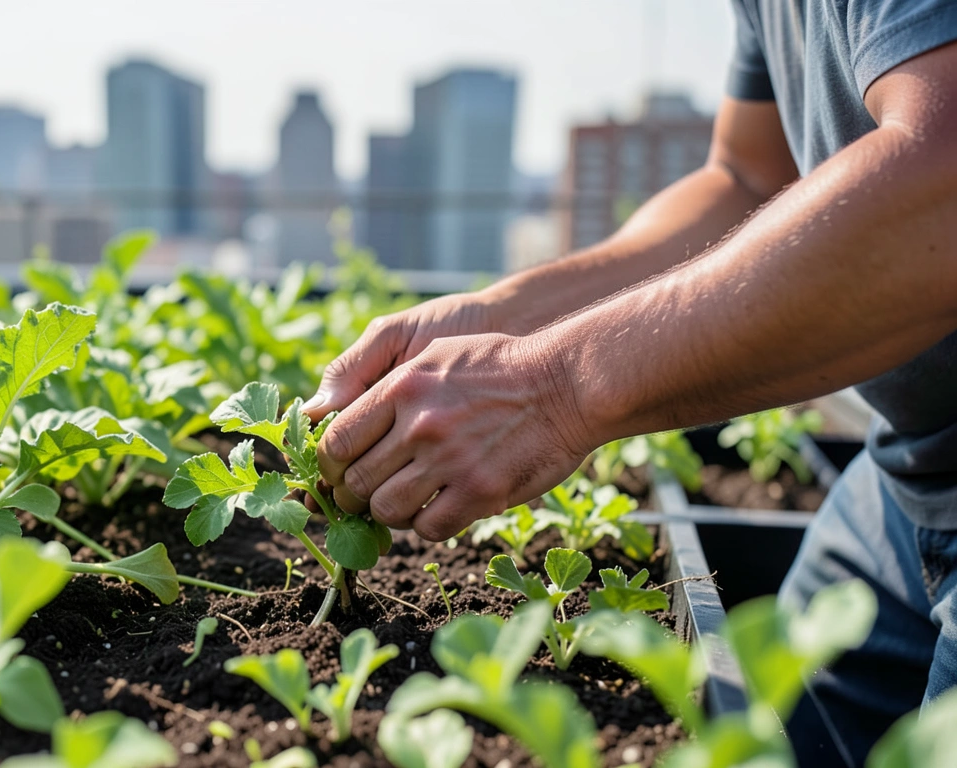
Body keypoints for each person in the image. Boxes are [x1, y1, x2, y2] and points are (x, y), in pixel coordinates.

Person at [302, 2, 957, 765]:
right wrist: (505, 318)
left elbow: (941, 180)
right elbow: (748, 178)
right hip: (907, 475)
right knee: (780, 725)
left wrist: (554, 388)